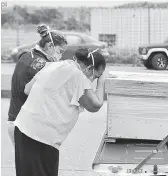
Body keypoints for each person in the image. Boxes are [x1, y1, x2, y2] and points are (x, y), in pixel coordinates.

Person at [13, 48, 106, 176]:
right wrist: (101, 83)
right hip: (42, 139)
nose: (93, 80)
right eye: (95, 76)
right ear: (89, 68)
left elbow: (27, 89)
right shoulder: (78, 76)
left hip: (22, 128)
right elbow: (95, 105)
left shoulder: (54, 65)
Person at [7, 24, 68, 145]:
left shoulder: (25, 56)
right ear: (50, 46)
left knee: (24, 163)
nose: (60, 56)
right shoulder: (43, 66)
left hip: (14, 122)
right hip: (27, 128)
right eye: (60, 52)